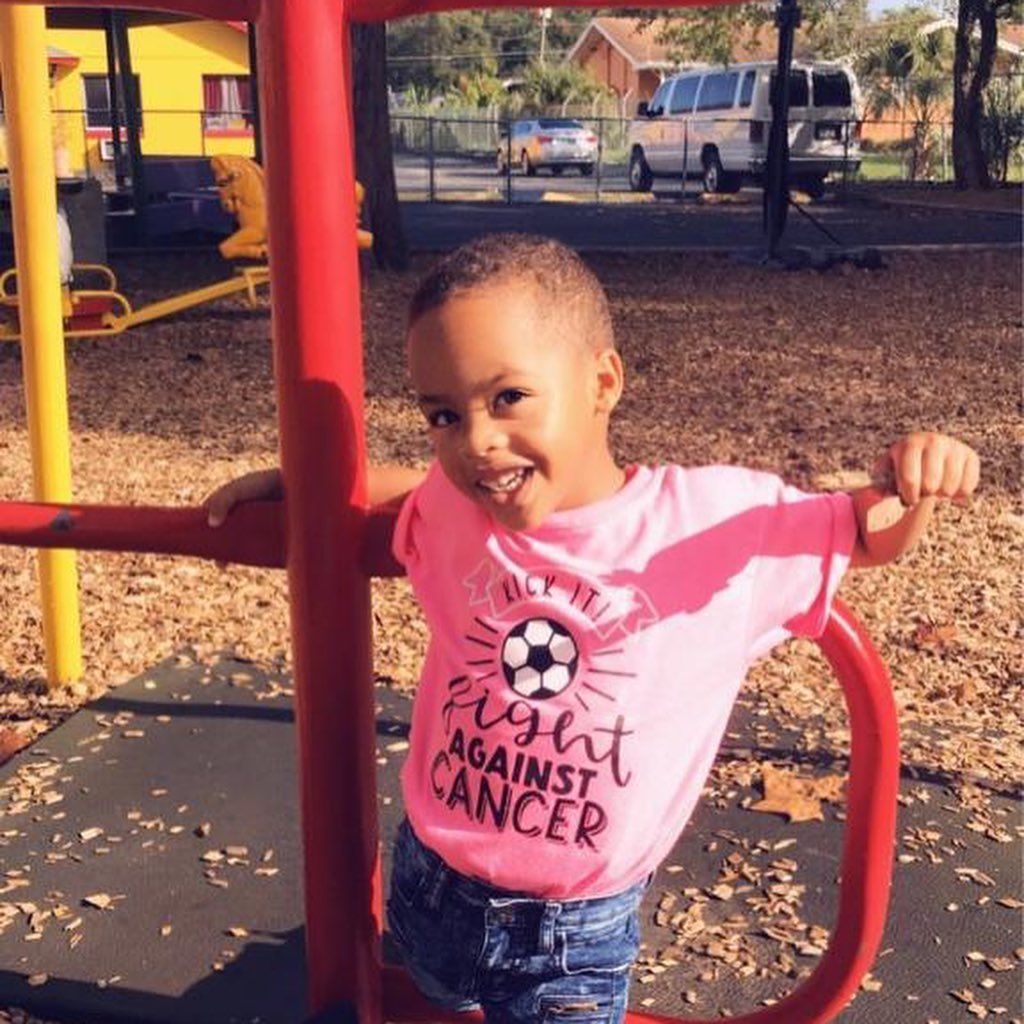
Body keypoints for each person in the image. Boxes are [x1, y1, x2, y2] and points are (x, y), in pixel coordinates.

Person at [205, 233, 980, 1023]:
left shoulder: (713, 524)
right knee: (423, 1003)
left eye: (508, 398)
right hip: (432, 879)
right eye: (443, 413)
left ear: (602, 381)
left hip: (572, 934)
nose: (476, 441)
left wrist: (917, 480)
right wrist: (306, 481)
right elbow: (414, 489)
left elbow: (864, 531)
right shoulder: (458, 505)